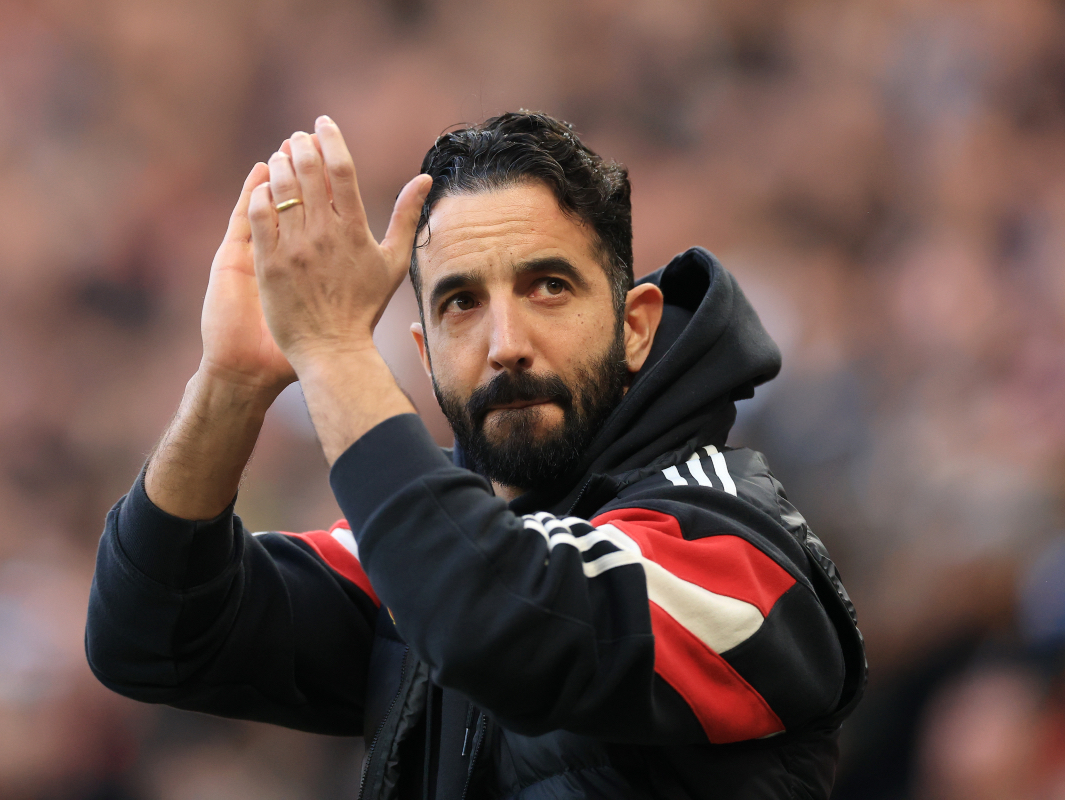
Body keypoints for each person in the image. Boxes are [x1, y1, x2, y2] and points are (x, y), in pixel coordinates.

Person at [85, 111, 866, 799]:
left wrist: (330, 349)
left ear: (636, 327)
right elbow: (151, 630)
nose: (506, 346)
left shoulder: (736, 547)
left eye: (549, 287)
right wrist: (231, 385)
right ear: (422, 353)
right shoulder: (431, 544)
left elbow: (497, 613)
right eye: (462, 303)